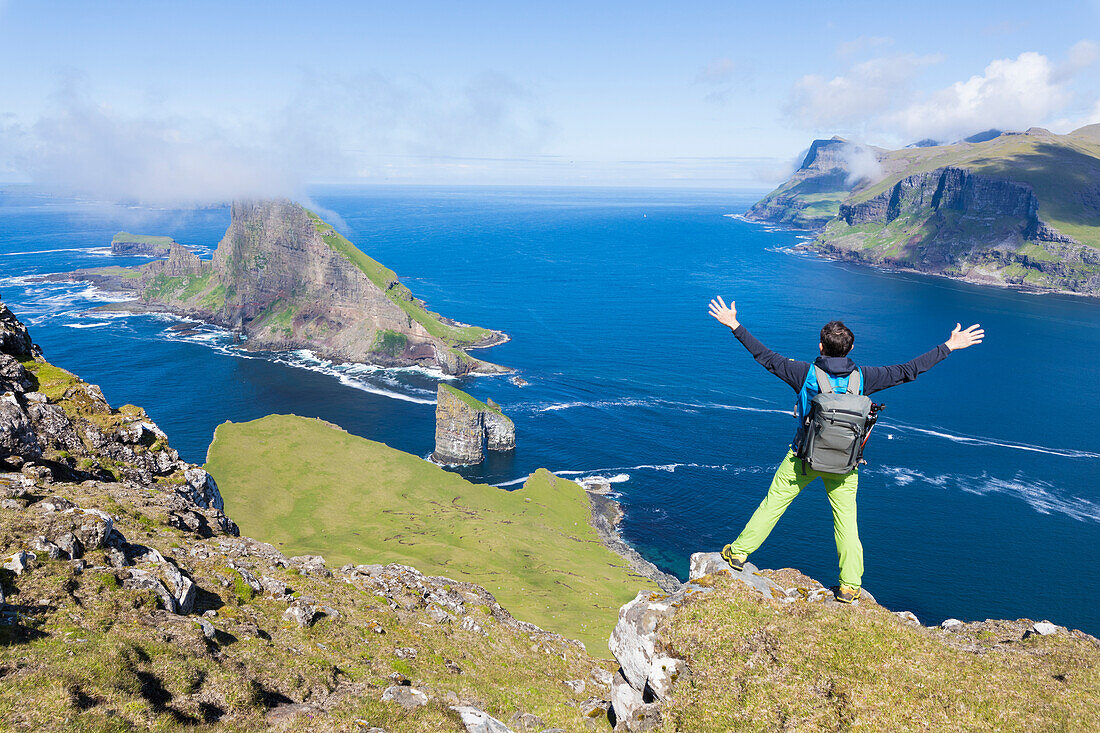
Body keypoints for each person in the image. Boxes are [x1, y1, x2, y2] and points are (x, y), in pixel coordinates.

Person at [707, 296, 984, 603]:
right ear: (851, 349)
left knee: (774, 504)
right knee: (846, 523)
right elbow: (909, 370)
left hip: (803, 458)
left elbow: (765, 357)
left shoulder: (803, 373)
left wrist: (734, 324)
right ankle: (850, 585)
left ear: (821, 347)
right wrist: (949, 346)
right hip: (844, 464)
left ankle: (738, 553)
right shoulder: (865, 378)